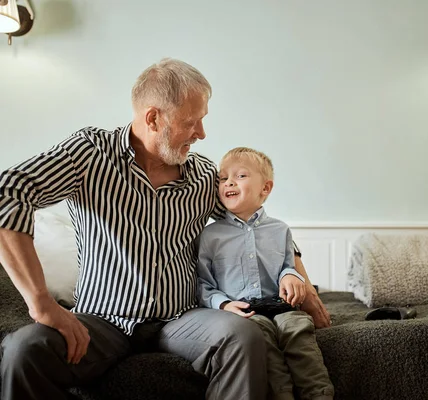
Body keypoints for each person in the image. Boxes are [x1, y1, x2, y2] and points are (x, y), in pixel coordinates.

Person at [0, 58, 330, 400]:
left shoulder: (204, 176)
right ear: (153, 118)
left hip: (182, 318)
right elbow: (8, 192)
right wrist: (41, 302)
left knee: (243, 336)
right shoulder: (89, 154)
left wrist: (305, 287)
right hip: (101, 320)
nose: (202, 133)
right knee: (24, 349)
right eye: (192, 121)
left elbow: (255, 225)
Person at [196, 147, 334, 400]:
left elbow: (286, 266)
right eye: (223, 178)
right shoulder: (210, 235)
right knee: (262, 342)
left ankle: (319, 394)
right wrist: (224, 304)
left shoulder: (280, 230)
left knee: (298, 332)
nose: (229, 182)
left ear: (266, 188)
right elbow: (203, 283)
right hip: (246, 312)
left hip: (283, 307)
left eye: (240, 176)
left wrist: (291, 276)